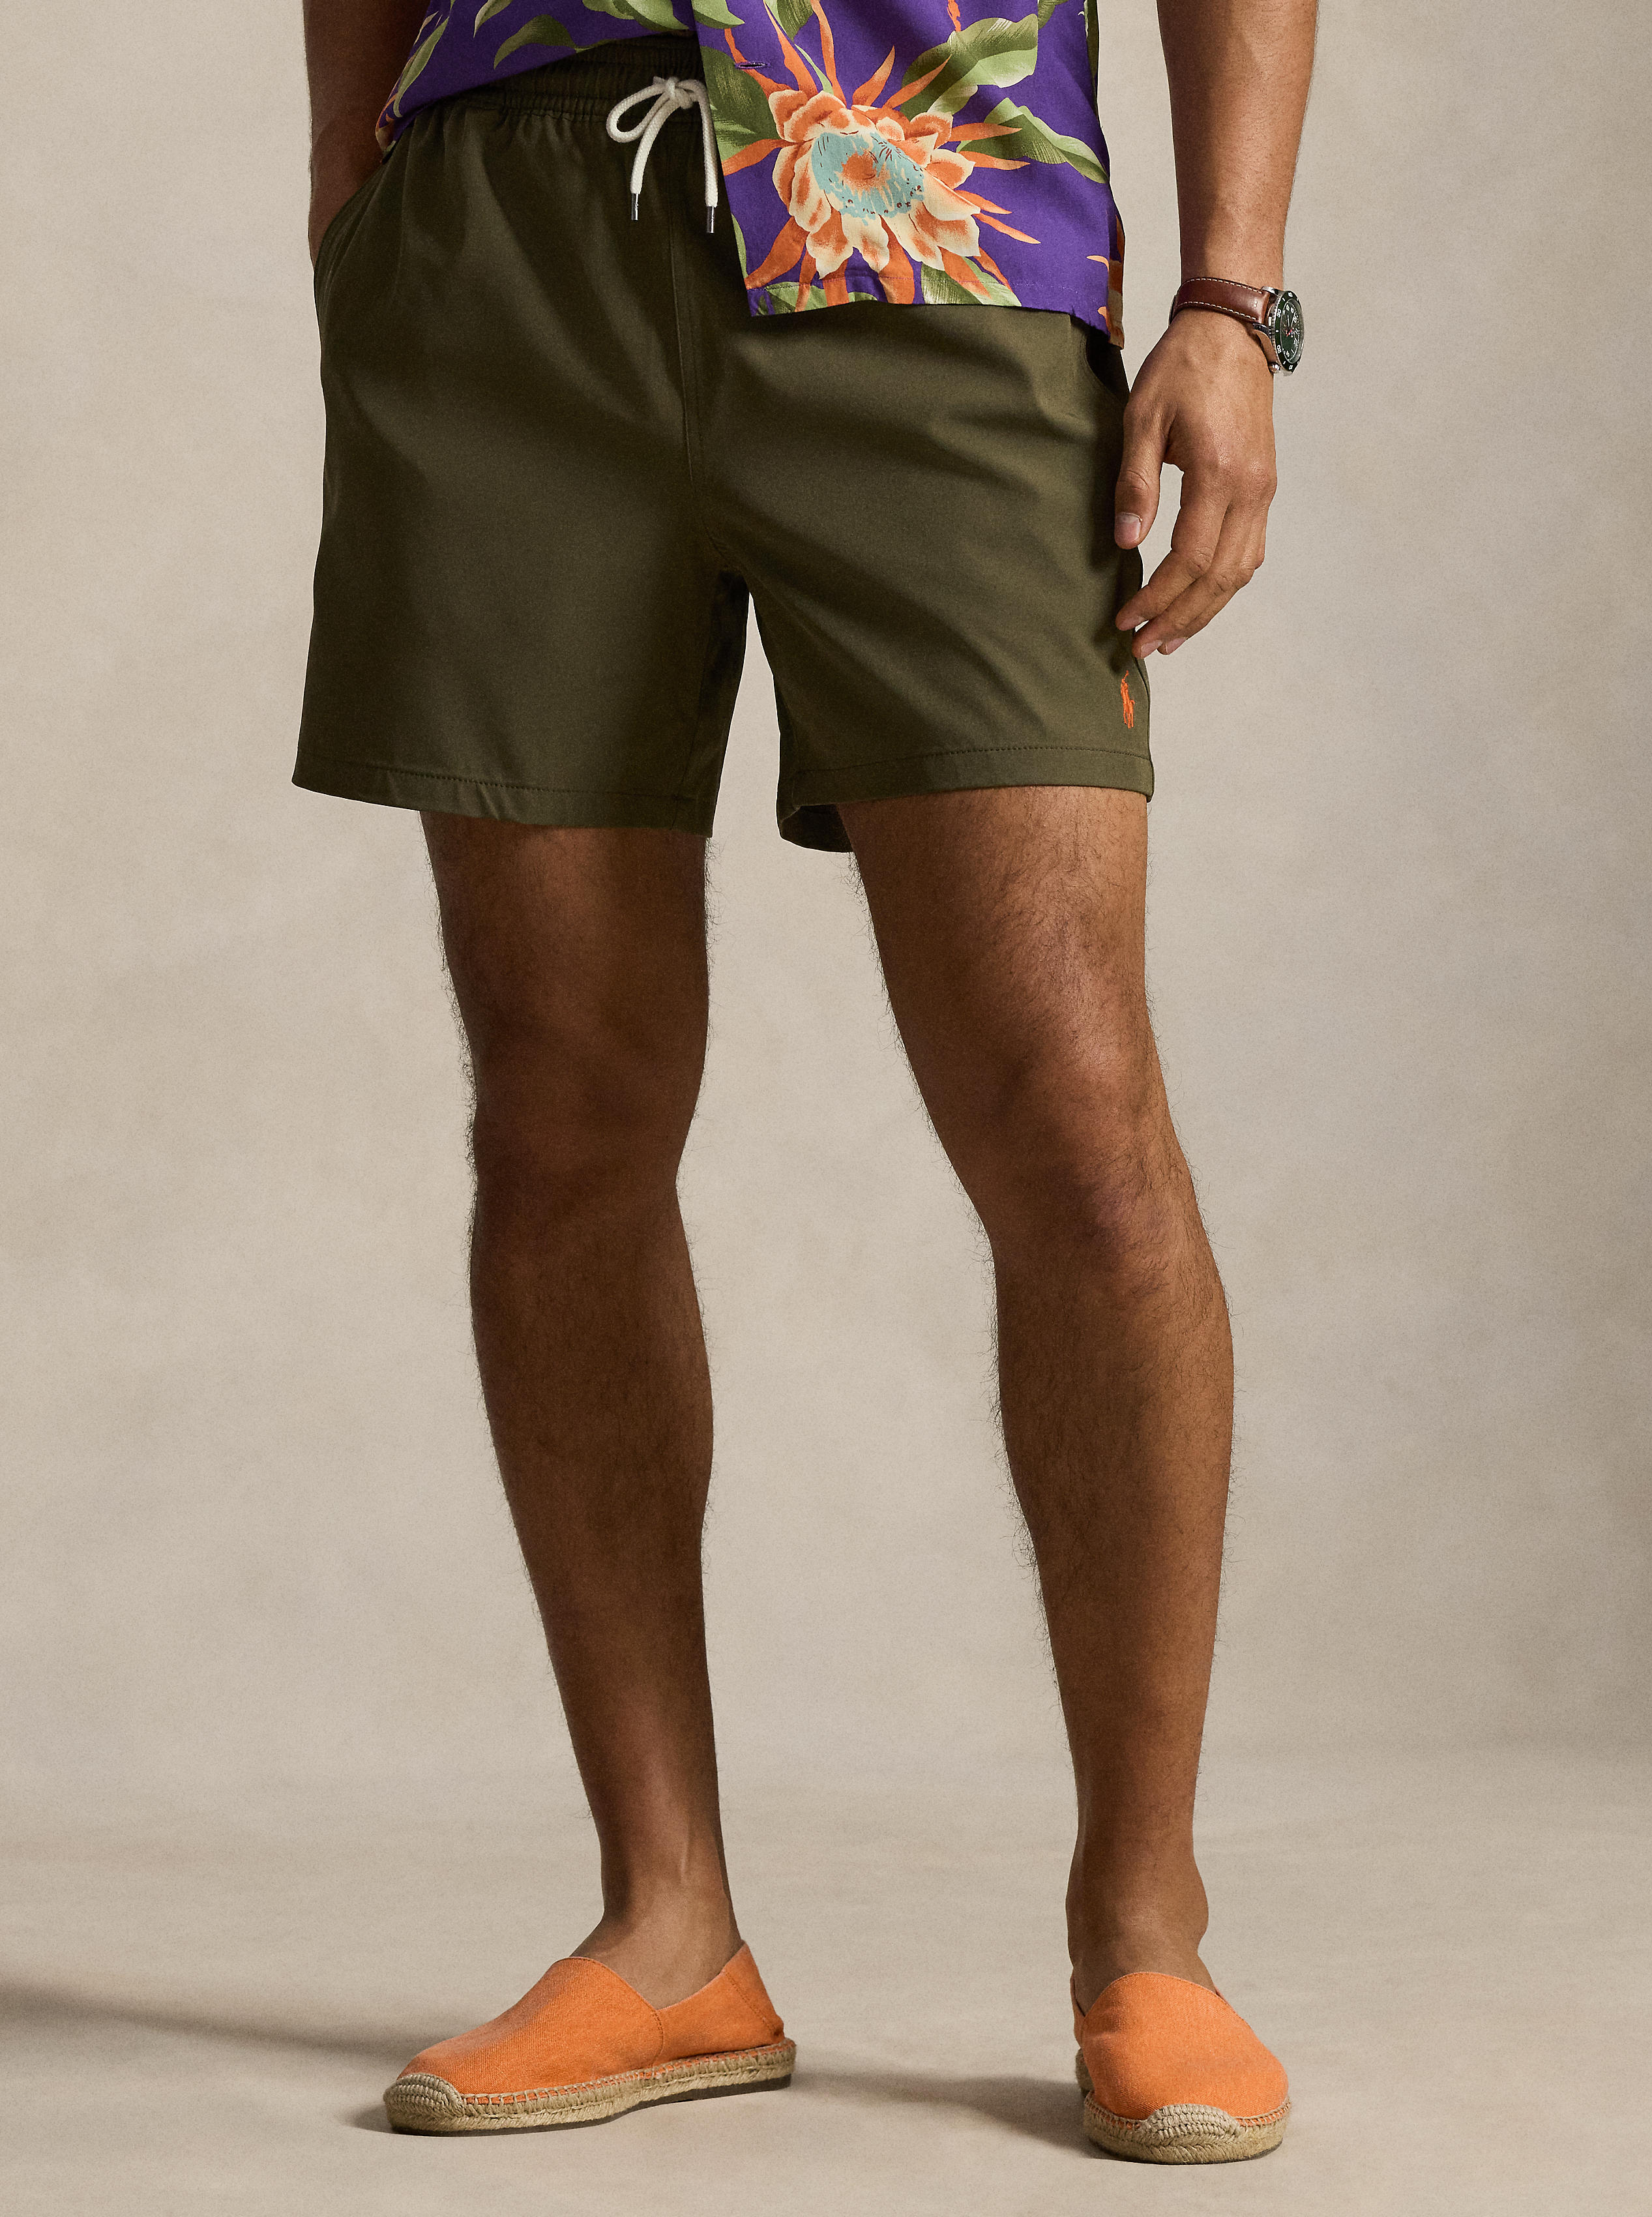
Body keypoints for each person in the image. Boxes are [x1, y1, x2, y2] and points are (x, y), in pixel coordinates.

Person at [297, 0, 1313, 2163]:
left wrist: (1233, 301)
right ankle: (668, 1925)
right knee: (561, 1107)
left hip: (937, 208)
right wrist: (351, 181)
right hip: (508, 232)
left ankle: (1148, 1926)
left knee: (1072, 1115)